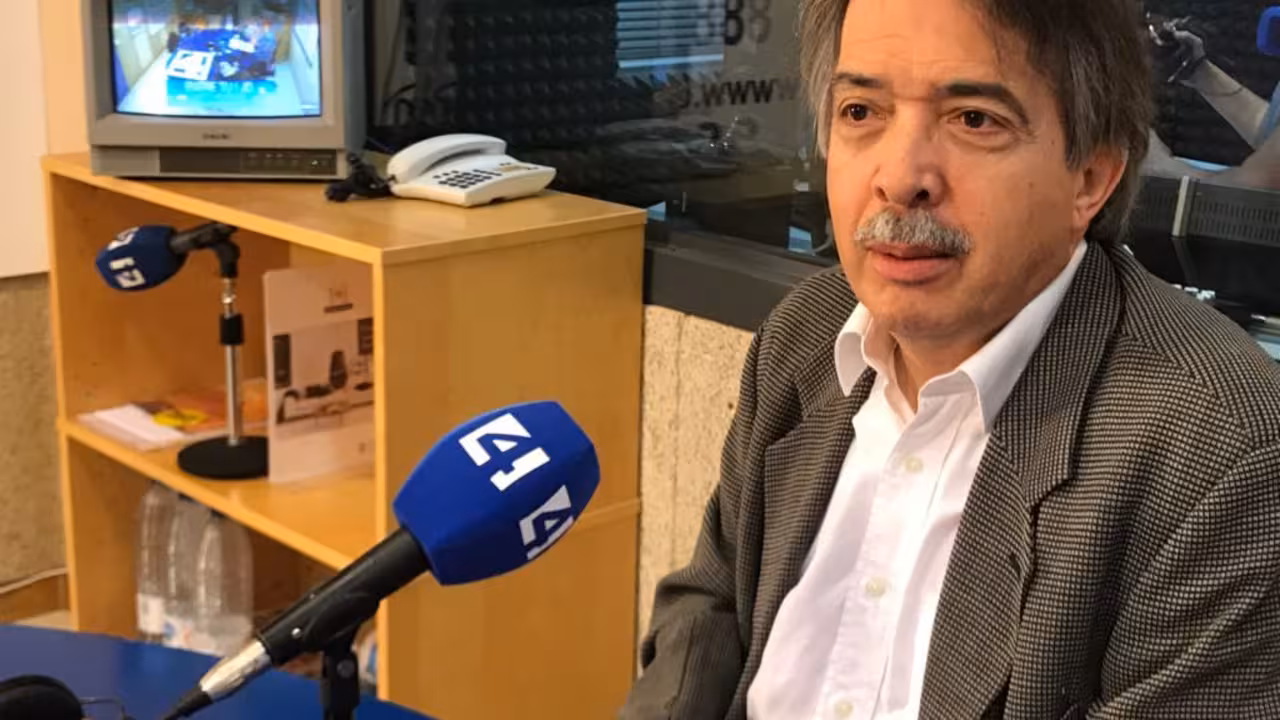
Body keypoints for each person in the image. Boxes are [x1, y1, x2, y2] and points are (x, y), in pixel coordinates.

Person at [621, 0, 1280, 718]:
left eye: (974, 119)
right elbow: (713, 600)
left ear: (1091, 177)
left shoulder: (1222, 451)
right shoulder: (806, 333)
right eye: (861, 112)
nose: (901, 177)